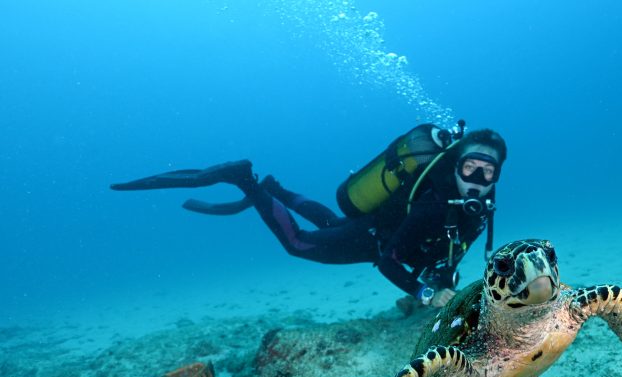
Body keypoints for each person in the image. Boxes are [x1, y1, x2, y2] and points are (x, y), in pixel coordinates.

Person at [111, 123, 507, 308]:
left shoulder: (477, 207)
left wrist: (442, 275)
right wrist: (424, 293)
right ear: (455, 165)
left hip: (375, 227)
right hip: (375, 241)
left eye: (488, 172)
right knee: (298, 243)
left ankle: (276, 190)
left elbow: (450, 248)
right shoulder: (433, 205)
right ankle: (245, 180)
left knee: (333, 223)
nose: (476, 179)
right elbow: (389, 262)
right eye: (470, 167)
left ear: (497, 176)